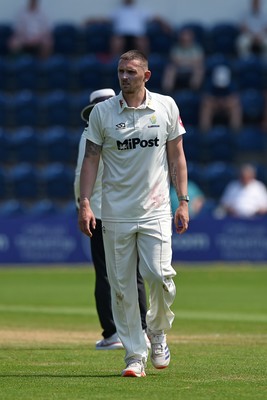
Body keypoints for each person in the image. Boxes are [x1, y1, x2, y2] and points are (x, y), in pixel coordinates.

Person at [78, 49, 189, 378]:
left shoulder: (166, 106)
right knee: (123, 287)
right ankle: (134, 355)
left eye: (131, 72)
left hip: (155, 208)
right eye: (121, 71)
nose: (124, 77)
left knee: (160, 277)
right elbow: (91, 159)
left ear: (146, 75)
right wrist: (85, 202)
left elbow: (177, 156)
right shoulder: (102, 113)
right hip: (115, 213)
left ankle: (157, 332)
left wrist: (183, 200)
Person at [74, 88, 150, 350]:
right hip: (126, 210)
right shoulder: (124, 129)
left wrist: (81, 205)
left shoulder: (89, 135)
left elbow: (79, 178)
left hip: (101, 212)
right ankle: (141, 330)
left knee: (106, 274)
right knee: (133, 273)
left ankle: (113, 333)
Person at [199, 63, 242, 132]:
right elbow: (206, 98)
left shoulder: (232, 84)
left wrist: (225, 102)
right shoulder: (209, 84)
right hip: (214, 106)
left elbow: (235, 98)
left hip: (227, 106)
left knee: (235, 107)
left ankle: (235, 132)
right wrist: (216, 102)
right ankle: (205, 133)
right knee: (206, 108)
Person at [161, 28, 205, 94]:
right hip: (178, 68)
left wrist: (184, 61)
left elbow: (198, 61)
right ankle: (167, 91)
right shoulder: (176, 48)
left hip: (192, 68)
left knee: (199, 69)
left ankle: (194, 90)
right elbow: (175, 60)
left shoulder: (196, 48)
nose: (185, 39)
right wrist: (189, 61)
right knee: (170, 69)